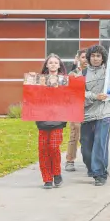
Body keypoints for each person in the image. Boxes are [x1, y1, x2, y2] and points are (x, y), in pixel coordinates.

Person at [79, 45, 110, 187]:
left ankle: (100, 173)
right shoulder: (81, 74)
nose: (95, 58)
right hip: (87, 113)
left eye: (98, 56)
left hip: (105, 112)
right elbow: (78, 93)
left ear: (103, 58)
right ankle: (92, 167)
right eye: (93, 56)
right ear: (88, 58)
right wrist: (95, 96)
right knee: (86, 146)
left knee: (100, 143)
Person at [35, 54, 68, 189]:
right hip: (43, 120)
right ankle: (47, 178)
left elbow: (70, 97)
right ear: (46, 65)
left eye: (56, 62)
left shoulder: (65, 81)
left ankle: (57, 173)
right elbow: (33, 97)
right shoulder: (39, 81)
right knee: (43, 149)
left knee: (53, 147)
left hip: (58, 120)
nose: (53, 65)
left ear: (59, 65)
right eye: (51, 63)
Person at [65, 49, 88, 172]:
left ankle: (89, 159)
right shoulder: (74, 73)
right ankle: (70, 160)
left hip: (90, 107)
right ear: (79, 59)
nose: (85, 59)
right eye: (83, 57)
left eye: (87, 57)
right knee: (74, 134)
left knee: (87, 136)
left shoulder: (94, 72)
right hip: (76, 107)